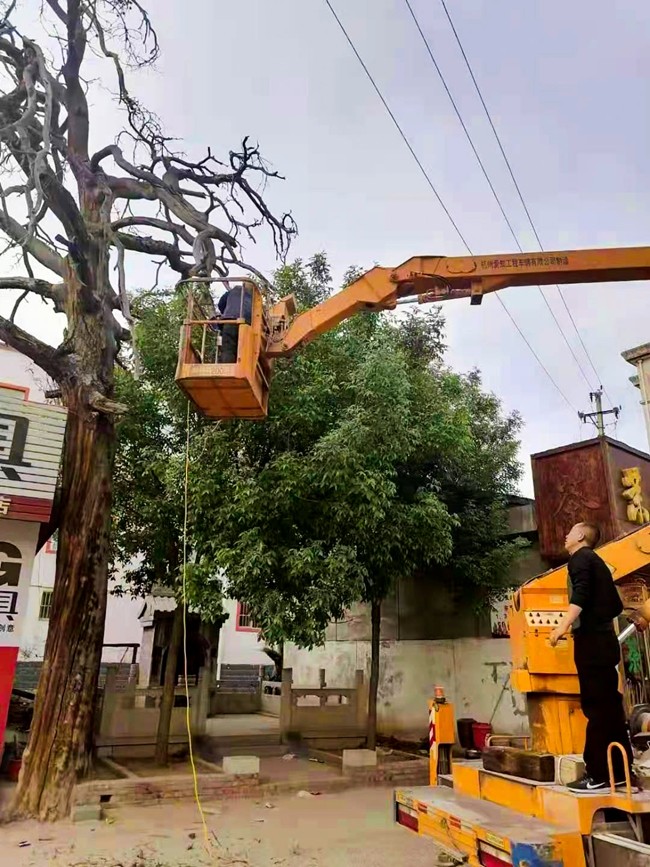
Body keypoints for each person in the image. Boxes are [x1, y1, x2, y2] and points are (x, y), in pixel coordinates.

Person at [550, 521, 634, 792]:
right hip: (604, 640)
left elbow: (582, 594)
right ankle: (620, 772)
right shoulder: (597, 562)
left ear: (580, 535)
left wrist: (563, 625)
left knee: (596, 707)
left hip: (591, 642)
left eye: (570, 530)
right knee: (610, 706)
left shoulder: (580, 559)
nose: (565, 534)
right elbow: (615, 604)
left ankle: (598, 773)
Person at [215, 283, 253, 363]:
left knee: (228, 349)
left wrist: (225, 312)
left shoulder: (232, 292)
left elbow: (221, 303)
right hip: (246, 325)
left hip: (230, 321)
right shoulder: (254, 298)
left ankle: (226, 368)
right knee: (243, 350)